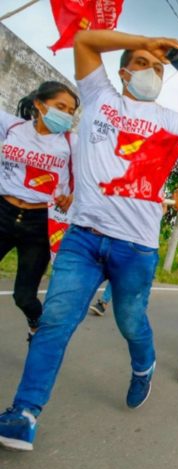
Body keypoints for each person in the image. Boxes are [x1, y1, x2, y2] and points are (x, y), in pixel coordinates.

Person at [0, 30, 178, 451]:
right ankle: (24, 412)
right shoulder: (99, 97)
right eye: (143, 63)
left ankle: (143, 364)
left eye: (158, 68)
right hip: (83, 240)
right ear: (123, 70)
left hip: (136, 247)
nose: (151, 72)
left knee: (130, 321)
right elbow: (84, 42)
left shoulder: (172, 121)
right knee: (56, 322)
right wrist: (149, 40)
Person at [1, 81, 79, 341]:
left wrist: (74, 195)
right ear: (39, 104)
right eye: (60, 107)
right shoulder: (12, 127)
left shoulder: (72, 142)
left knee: (24, 296)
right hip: (3, 211)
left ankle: (35, 320)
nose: (66, 114)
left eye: (70, 111)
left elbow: (95, 173)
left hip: (40, 223)